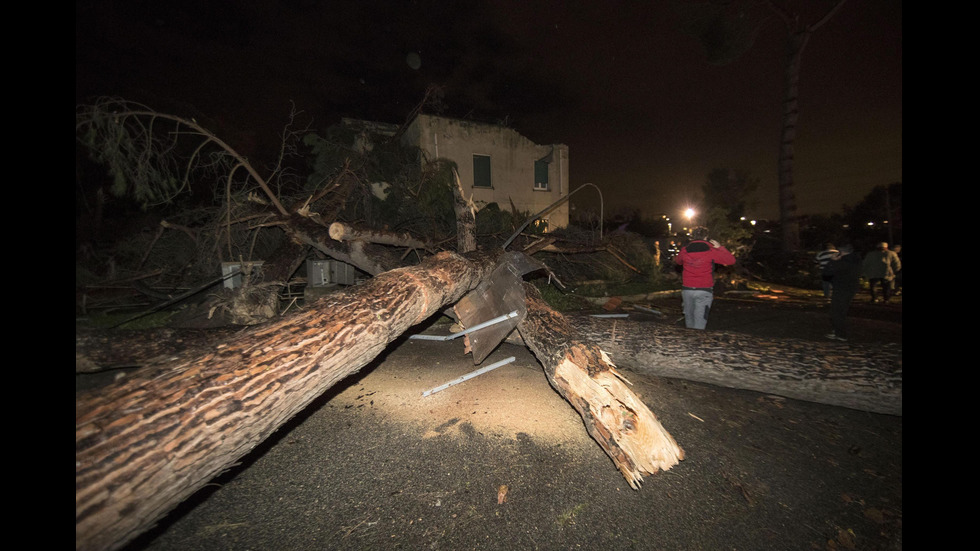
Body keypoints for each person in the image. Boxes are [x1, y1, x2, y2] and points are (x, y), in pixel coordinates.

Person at [673, 226, 736, 329]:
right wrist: (720, 248)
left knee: (689, 319)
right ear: (706, 237)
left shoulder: (685, 250)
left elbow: (678, 261)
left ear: (692, 237)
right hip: (704, 290)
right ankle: (697, 342)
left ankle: (688, 341)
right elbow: (731, 260)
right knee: (699, 322)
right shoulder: (711, 251)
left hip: (687, 289)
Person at [824, 243, 861, 342]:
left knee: (837, 311)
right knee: (840, 310)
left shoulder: (843, 262)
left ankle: (840, 333)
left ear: (841, 252)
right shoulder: (855, 260)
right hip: (849, 287)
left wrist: (832, 261)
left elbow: (827, 274)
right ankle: (837, 331)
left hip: (841, 287)